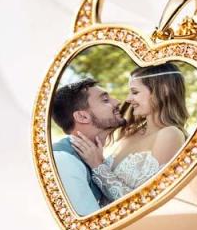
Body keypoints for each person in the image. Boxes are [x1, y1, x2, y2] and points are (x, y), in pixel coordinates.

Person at [70, 62, 187, 201]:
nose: (128, 99)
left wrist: (97, 165)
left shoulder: (170, 134)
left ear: (163, 90)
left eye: (135, 92)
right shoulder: (130, 132)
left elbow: (147, 201)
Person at [50, 78, 125, 216]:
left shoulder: (95, 156)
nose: (117, 102)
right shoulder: (64, 160)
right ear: (82, 117)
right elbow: (91, 221)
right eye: (105, 100)